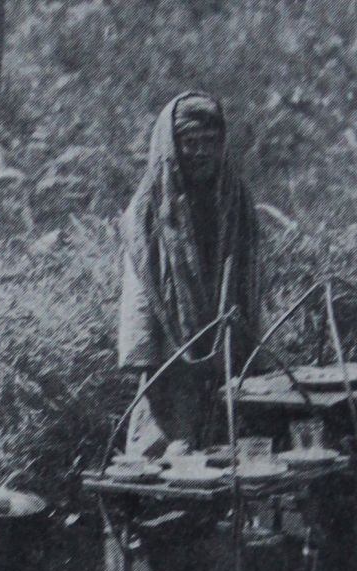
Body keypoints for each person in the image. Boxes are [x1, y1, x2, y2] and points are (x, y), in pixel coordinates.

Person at [117, 91, 261, 457]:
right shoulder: (150, 207)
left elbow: (254, 271)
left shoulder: (235, 198)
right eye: (190, 143)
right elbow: (140, 283)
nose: (200, 153)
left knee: (228, 447)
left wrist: (255, 337)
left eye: (210, 143)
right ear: (172, 146)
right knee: (168, 447)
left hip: (226, 341)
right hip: (172, 349)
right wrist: (142, 354)